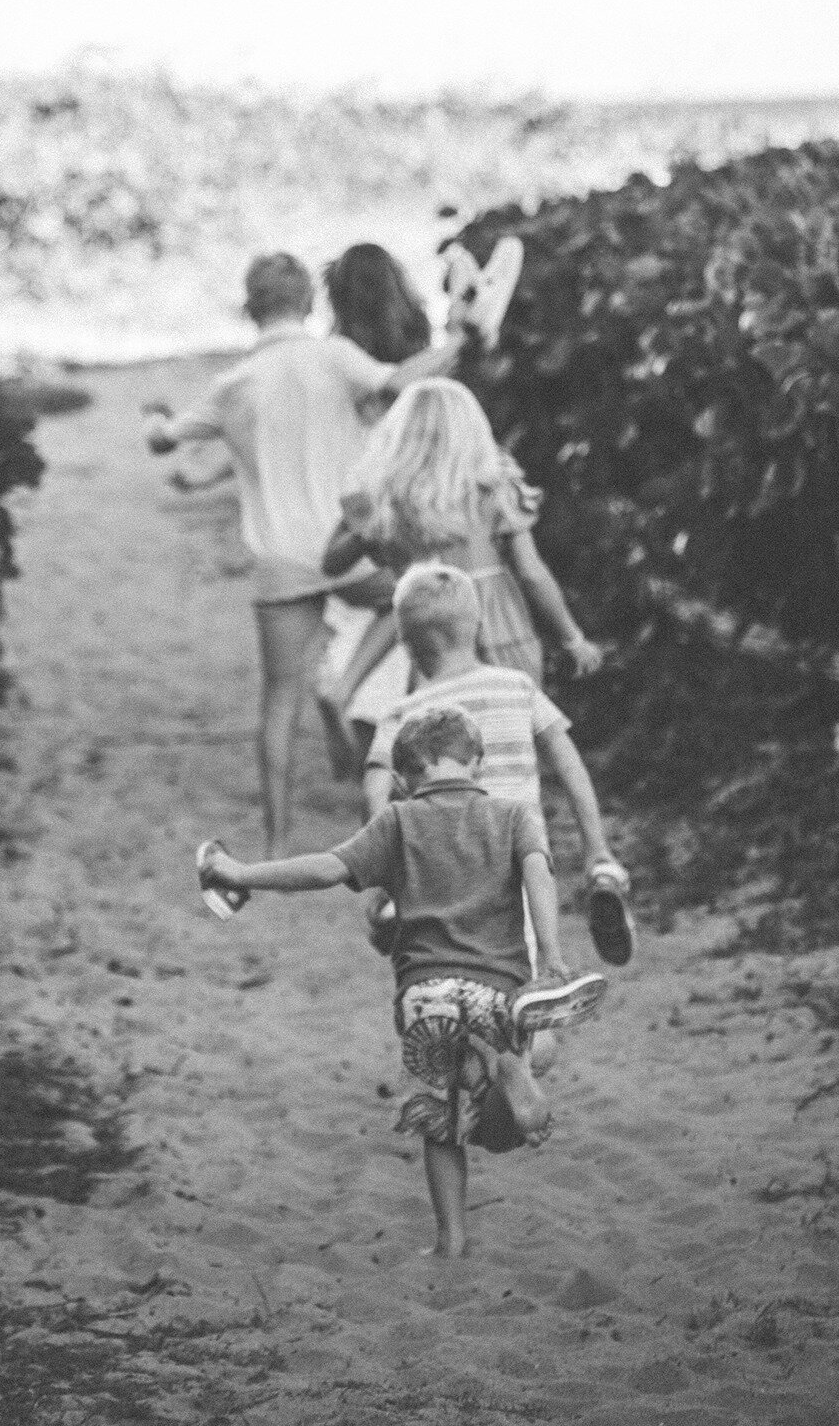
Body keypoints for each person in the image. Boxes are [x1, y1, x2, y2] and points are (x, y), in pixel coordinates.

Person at [197, 702, 607, 1258]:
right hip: (497, 989)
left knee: (440, 1120)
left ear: (405, 777)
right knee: (512, 1073)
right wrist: (552, 956)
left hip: (424, 996)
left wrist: (239, 873)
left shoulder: (397, 821)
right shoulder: (514, 816)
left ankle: (450, 1241)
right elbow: (539, 876)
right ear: (476, 762)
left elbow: (324, 869)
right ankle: (512, 1068)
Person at [143, 252, 471, 854]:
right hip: (347, 546)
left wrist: (159, 422)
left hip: (281, 562)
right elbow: (399, 381)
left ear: (250, 308)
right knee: (412, 602)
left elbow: (163, 444)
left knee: (278, 699)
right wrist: (460, 339)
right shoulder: (335, 357)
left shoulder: (231, 385)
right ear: (310, 303)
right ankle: (350, 691)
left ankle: (276, 843)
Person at [362, 562, 635, 967]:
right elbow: (570, 766)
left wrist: (385, 876)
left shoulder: (403, 713)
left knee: (450, 970)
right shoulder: (516, 686)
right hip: (520, 862)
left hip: (442, 876)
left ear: (405, 641)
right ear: (478, 626)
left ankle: (400, 920)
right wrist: (596, 848)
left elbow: (376, 787)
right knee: (525, 971)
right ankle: (603, 881)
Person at [316, 378, 603, 752]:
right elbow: (531, 573)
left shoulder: (385, 498)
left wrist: (363, 527)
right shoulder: (492, 487)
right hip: (495, 623)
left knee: (439, 737)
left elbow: (332, 564)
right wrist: (572, 637)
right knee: (509, 732)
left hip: (428, 625)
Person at [315, 244, 434, 778]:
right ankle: (351, 701)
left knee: (365, 617)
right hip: (393, 497)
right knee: (406, 606)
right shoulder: (410, 359)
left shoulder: (337, 356)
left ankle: (349, 704)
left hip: (350, 500)